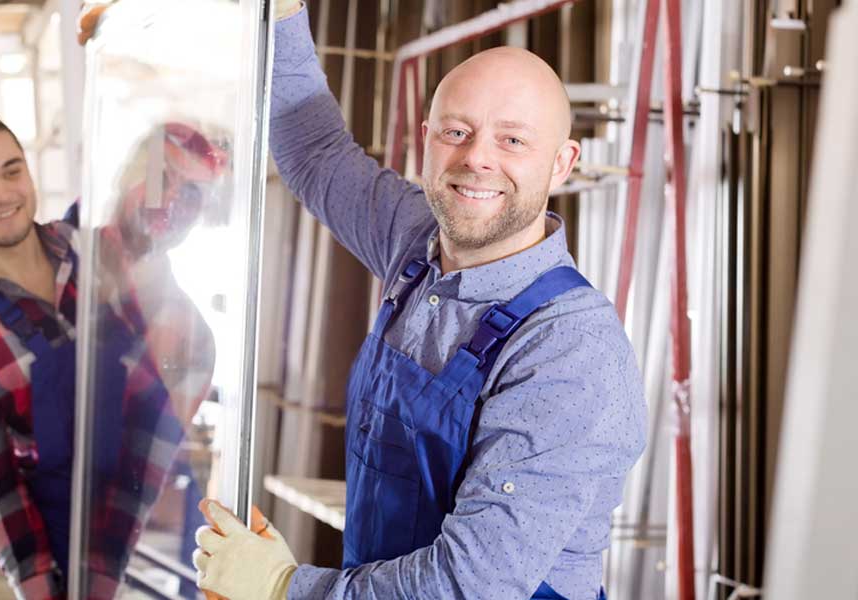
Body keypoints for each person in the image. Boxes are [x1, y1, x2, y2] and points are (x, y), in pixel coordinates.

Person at [188, 2, 648, 599]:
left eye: (513, 140)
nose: (478, 158)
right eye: (458, 131)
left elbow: (468, 585)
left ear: (562, 163)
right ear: (427, 139)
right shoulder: (418, 245)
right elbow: (314, 151)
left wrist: (284, 588)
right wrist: (281, 12)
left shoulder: (568, 351)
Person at [0, 109, 222, 599]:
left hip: (142, 510)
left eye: (11, 171)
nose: (1, 194)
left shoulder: (94, 252)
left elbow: (180, 363)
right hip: (57, 548)